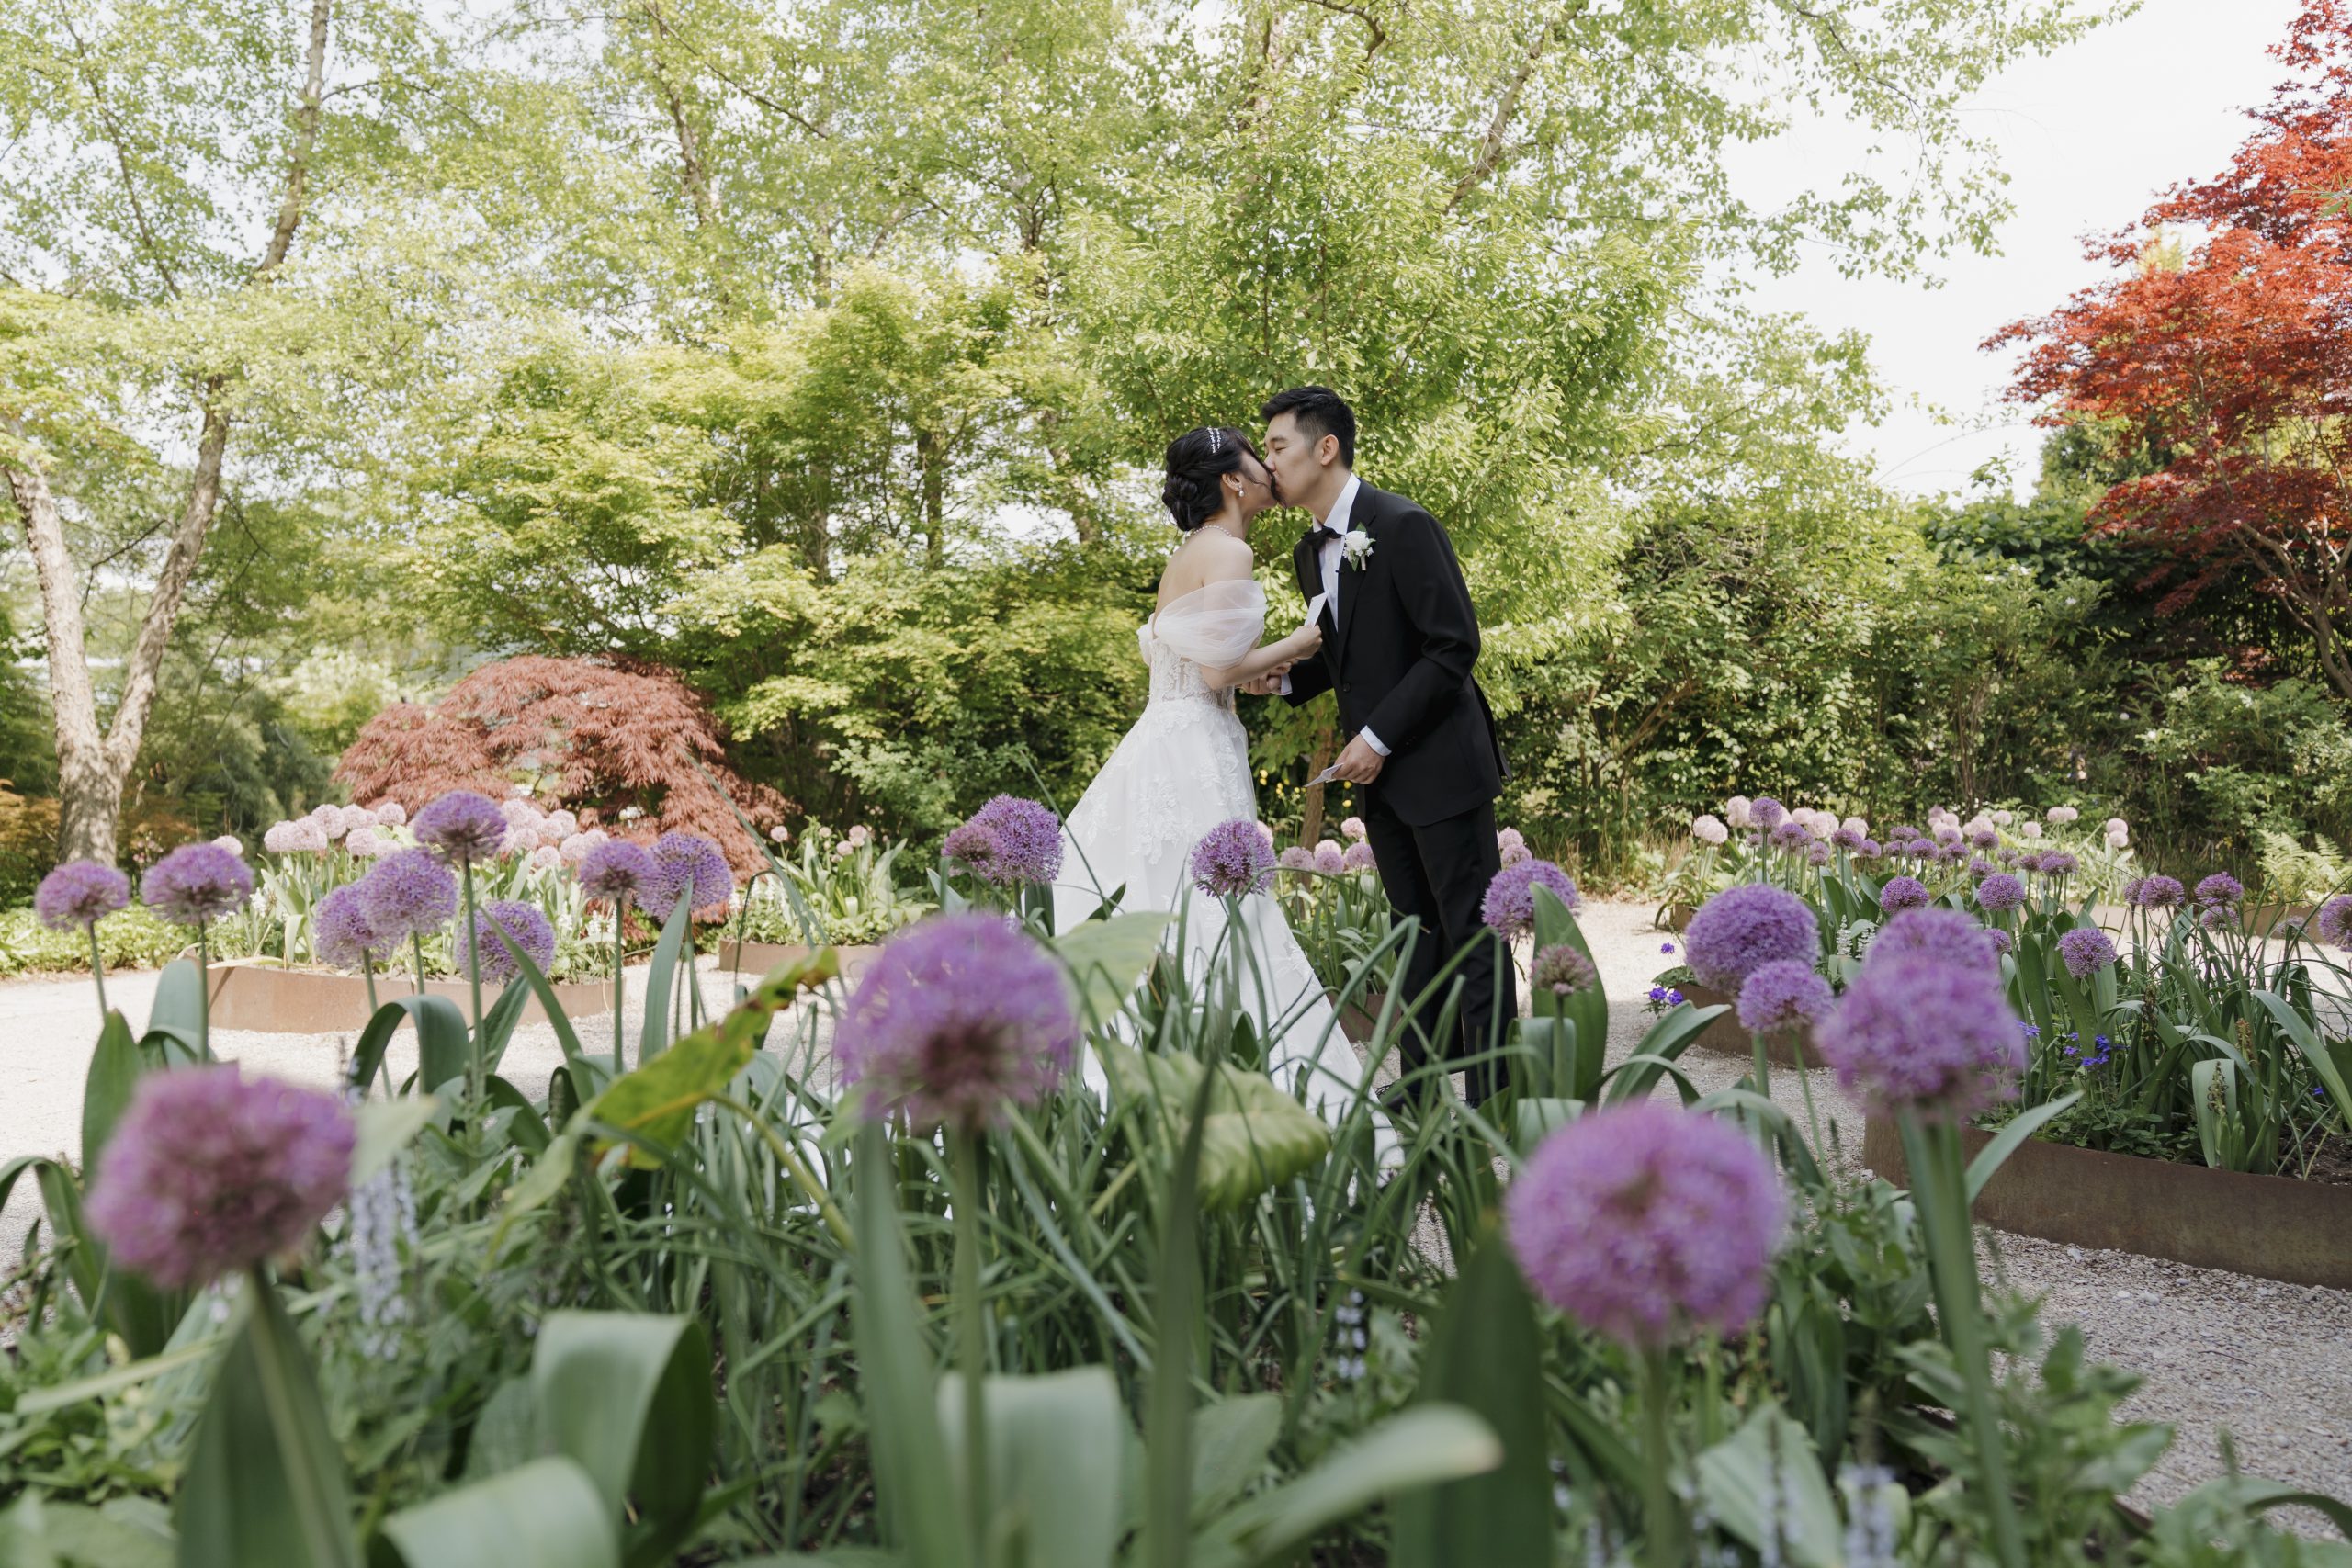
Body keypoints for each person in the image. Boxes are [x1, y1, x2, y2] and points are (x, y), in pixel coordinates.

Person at [1054, 424, 1395, 1158]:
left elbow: (1205, 662)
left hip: (1167, 738)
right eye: (1255, 454)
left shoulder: (1189, 552)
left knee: (1170, 904)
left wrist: (1262, 669)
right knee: (1227, 909)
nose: (1269, 464)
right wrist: (1303, 643)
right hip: (1196, 747)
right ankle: (1267, 1099)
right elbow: (1216, 672)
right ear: (1234, 481)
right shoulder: (1231, 551)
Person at [1246, 386, 1514, 1106]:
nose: (1268, 463)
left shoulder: (1403, 524)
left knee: (1473, 931)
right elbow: (1348, 656)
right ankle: (1420, 1090)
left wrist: (1376, 736)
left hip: (1442, 764)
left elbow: (1452, 646)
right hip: (1381, 777)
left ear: (1325, 448)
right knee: (1412, 936)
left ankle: (1494, 1100)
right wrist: (1280, 679)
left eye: (1277, 446)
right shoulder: (1309, 552)